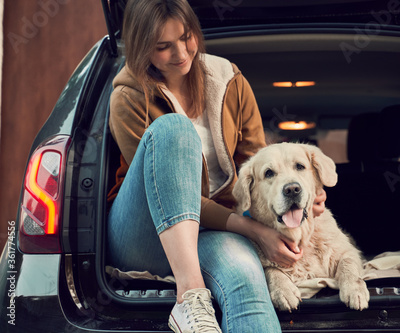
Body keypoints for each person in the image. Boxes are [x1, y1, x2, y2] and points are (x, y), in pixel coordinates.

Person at [106, 0, 326, 332]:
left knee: (247, 280)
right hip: (145, 230)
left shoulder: (229, 80)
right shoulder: (127, 98)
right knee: (174, 130)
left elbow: (261, 168)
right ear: (142, 50)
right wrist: (253, 230)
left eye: (186, 37)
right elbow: (164, 192)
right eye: (163, 47)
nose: (181, 53)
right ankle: (190, 298)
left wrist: (299, 200)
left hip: (216, 230)